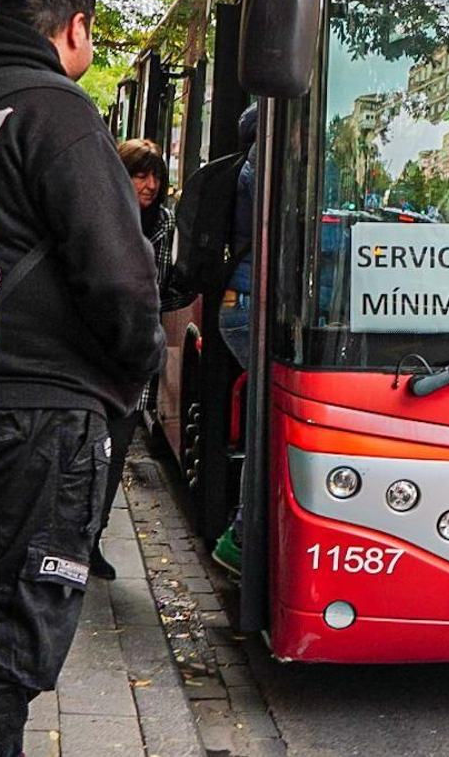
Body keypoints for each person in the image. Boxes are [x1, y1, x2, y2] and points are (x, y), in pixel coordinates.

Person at [0, 0, 166, 757]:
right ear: (76, 29)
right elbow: (122, 282)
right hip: (37, 414)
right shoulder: (55, 110)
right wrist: (136, 372)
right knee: (6, 625)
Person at [92, 138, 191, 579]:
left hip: (134, 352)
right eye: (139, 174)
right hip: (92, 349)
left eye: (155, 177)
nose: (149, 185)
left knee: (114, 453)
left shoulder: (164, 223)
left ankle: (93, 538)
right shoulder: (100, 208)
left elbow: (161, 283)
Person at [211, 104, 258, 575]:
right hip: (249, 305)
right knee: (268, 424)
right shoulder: (265, 162)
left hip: (240, 301)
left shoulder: (248, 162)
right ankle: (243, 537)